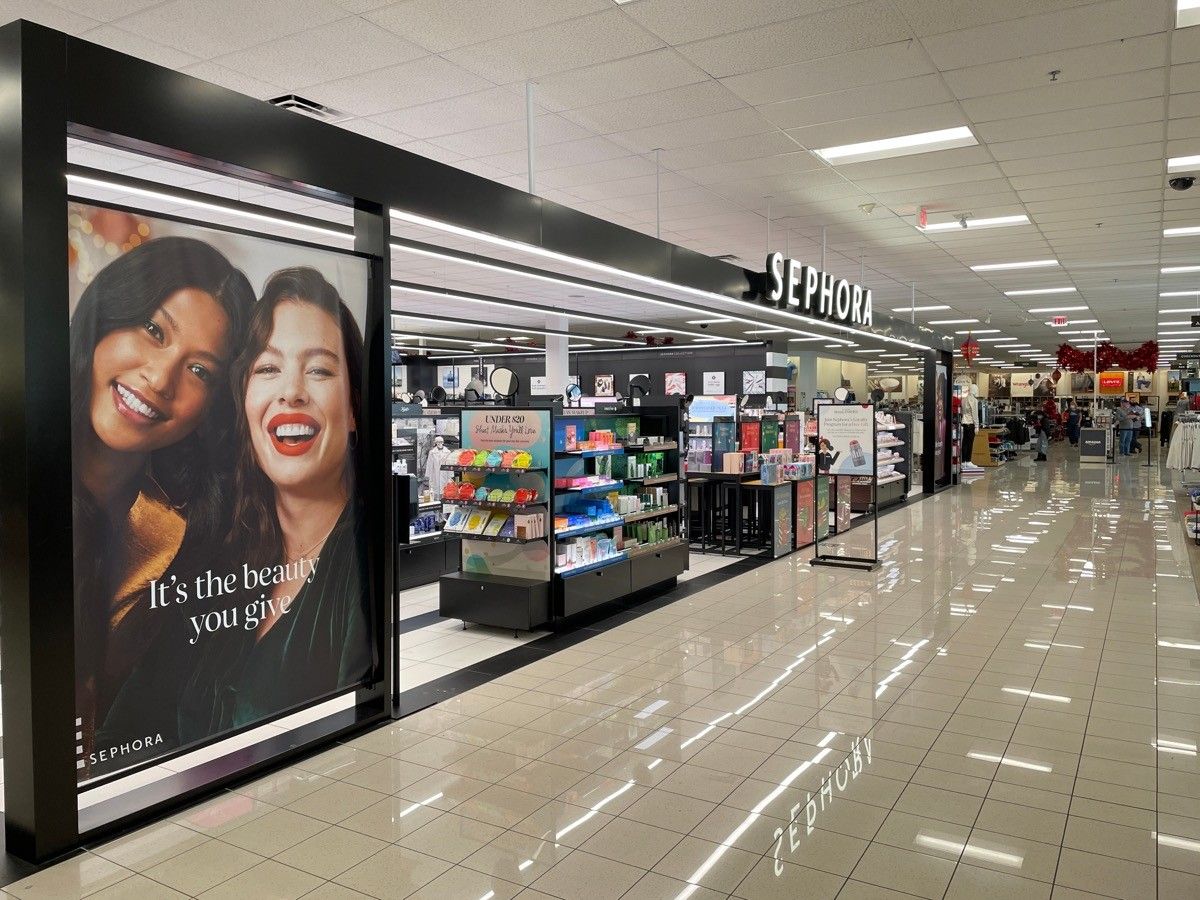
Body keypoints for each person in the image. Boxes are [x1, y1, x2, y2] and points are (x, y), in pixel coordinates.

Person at [71, 237, 254, 770]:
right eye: (154, 331)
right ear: (109, 314)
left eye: (199, 371)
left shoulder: (185, 524)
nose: (160, 378)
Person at [182, 268, 374, 741]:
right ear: (244, 398)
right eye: (268, 368)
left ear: (353, 409)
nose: (291, 391)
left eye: (320, 369)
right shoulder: (218, 547)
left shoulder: (363, 558)